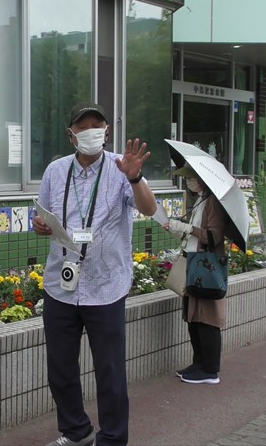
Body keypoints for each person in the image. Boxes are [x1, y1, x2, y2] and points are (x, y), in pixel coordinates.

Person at [33, 102, 158, 446]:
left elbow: (149, 209)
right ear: (71, 134)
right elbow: (40, 215)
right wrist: (40, 225)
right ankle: (76, 431)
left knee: (110, 371)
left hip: (106, 286)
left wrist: (134, 176)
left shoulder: (122, 169)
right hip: (61, 283)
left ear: (106, 131)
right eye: (83, 125)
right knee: (60, 369)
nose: (91, 131)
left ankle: (114, 439)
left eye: (97, 125)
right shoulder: (56, 171)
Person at [163, 164, 229, 385]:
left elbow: (213, 237)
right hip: (194, 263)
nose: (188, 182)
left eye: (191, 178)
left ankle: (210, 369)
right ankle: (198, 363)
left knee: (206, 319)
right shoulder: (201, 201)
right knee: (193, 317)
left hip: (205, 267)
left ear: (201, 179)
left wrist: (186, 228)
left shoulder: (213, 204)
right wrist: (179, 228)